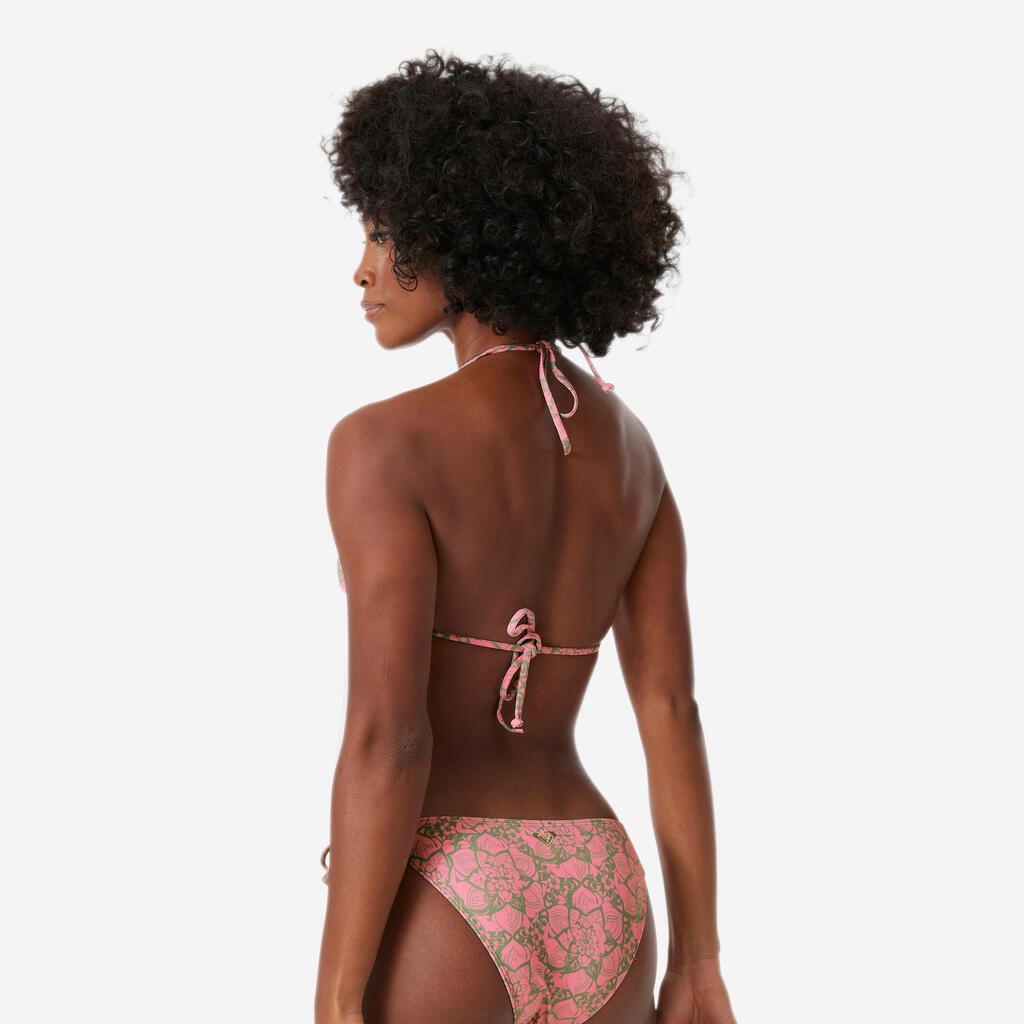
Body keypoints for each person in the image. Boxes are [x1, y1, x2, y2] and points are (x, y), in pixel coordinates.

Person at [313, 49, 737, 1024]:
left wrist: (335, 999)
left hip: (449, 886)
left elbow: (389, 737)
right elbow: (670, 708)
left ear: (465, 235)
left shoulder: (382, 445)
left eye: (385, 233)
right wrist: (698, 959)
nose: (362, 269)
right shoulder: (633, 452)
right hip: (603, 889)